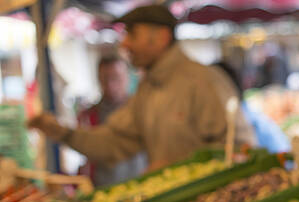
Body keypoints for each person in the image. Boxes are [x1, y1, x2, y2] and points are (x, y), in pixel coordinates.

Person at [28, 4, 253, 173]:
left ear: (162, 37)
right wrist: (62, 132)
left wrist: (181, 169)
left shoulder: (203, 82)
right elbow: (114, 141)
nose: (124, 44)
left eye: (132, 34)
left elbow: (242, 149)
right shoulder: (148, 90)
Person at [77, 54, 146, 187]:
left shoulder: (143, 110)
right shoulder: (89, 116)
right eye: (105, 79)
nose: (110, 85)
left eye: (116, 78)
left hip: (142, 186)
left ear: (127, 77)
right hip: (104, 188)